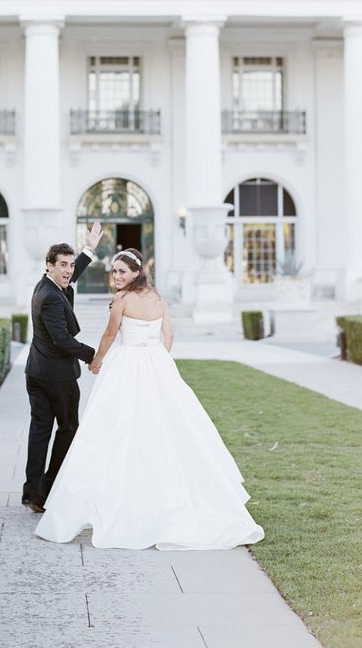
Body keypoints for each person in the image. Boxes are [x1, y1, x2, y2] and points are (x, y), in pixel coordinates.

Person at [34, 247, 264, 549]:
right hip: (156, 363)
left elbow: (109, 335)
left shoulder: (122, 300)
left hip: (127, 364)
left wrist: (97, 361)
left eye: (122, 272)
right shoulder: (159, 299)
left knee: (116, 429)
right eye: (114, 271)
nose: (116, 276)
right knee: (160, 427)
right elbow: (169, 335)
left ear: (136, 273)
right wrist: (159, 360)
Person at [21, 222, 103, 513]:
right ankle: (48, 488)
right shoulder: (51, 299)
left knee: (40, 431)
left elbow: (71, 276)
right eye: (63, 265)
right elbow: (63, 341)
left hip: (37, 372)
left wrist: (88, 249)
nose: (69, 270)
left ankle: (33, 493)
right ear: (49, 265)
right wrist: (94, 356)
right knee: (68, 428)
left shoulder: (49, 285)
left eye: (70, 265)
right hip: (57, 377)